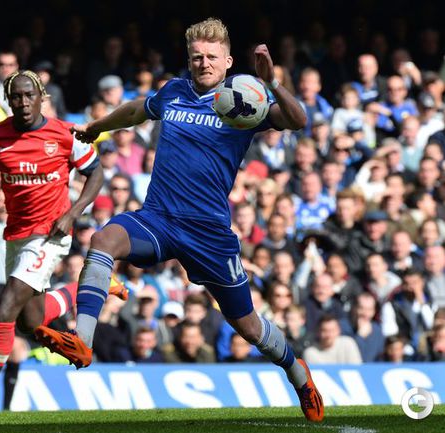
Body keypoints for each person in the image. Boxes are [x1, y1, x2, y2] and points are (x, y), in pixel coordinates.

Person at [35, 18, 323, 422]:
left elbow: (298, 120)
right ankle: (82, 340)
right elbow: (138, 109)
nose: (204, 63)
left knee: (248, 327)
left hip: (208, 234)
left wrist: (272, 82)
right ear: (189, 60)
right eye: (197, 57)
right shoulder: (174, 91)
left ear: (228, 61)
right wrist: (98, 128)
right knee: (103, 241)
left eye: (211, 57)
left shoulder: (243, 99)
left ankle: (297, 372)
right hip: (159, 219)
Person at [0, 70, 125, 415]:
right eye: (16, 96)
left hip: (51, 233)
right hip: (16, 233)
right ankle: (98, 284)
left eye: (29, 95)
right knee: (30, 322)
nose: (23, 102)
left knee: (5, 307)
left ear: (42, 97)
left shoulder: (64, 133)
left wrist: (73, 213)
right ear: (8, 100)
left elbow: (96, 172)